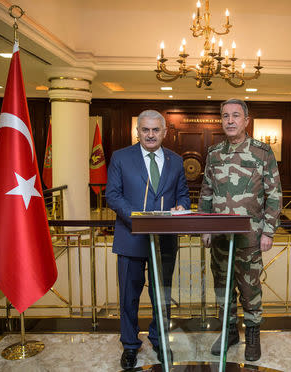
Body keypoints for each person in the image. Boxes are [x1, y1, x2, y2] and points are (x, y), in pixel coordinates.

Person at [198, 98, 282, 361]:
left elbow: (274, 194)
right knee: (222, 286)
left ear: (246, 120)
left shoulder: (262, 152)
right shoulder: (213, 153)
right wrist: (204, 227)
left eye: (236, 116)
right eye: (225, 116)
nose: (230, 120)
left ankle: (253, 334)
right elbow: (206, 193)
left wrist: (268, 231)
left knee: (249, 287)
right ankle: (229, 331)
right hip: (220, 236)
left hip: (250, 236)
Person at [106, 109, 190, 370]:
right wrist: (139, 218)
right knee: (129, 297)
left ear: (164, 132)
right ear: (138, 131)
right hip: (131, 237)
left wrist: (181, 207)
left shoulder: (176, 161)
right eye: (146, 130)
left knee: (161, 295)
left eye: (156, 130)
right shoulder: (121, 157)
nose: (151, 134)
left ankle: (159, 340)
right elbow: (113, 195)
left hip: (164, 240)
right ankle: (130, 345)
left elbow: (184, 195)